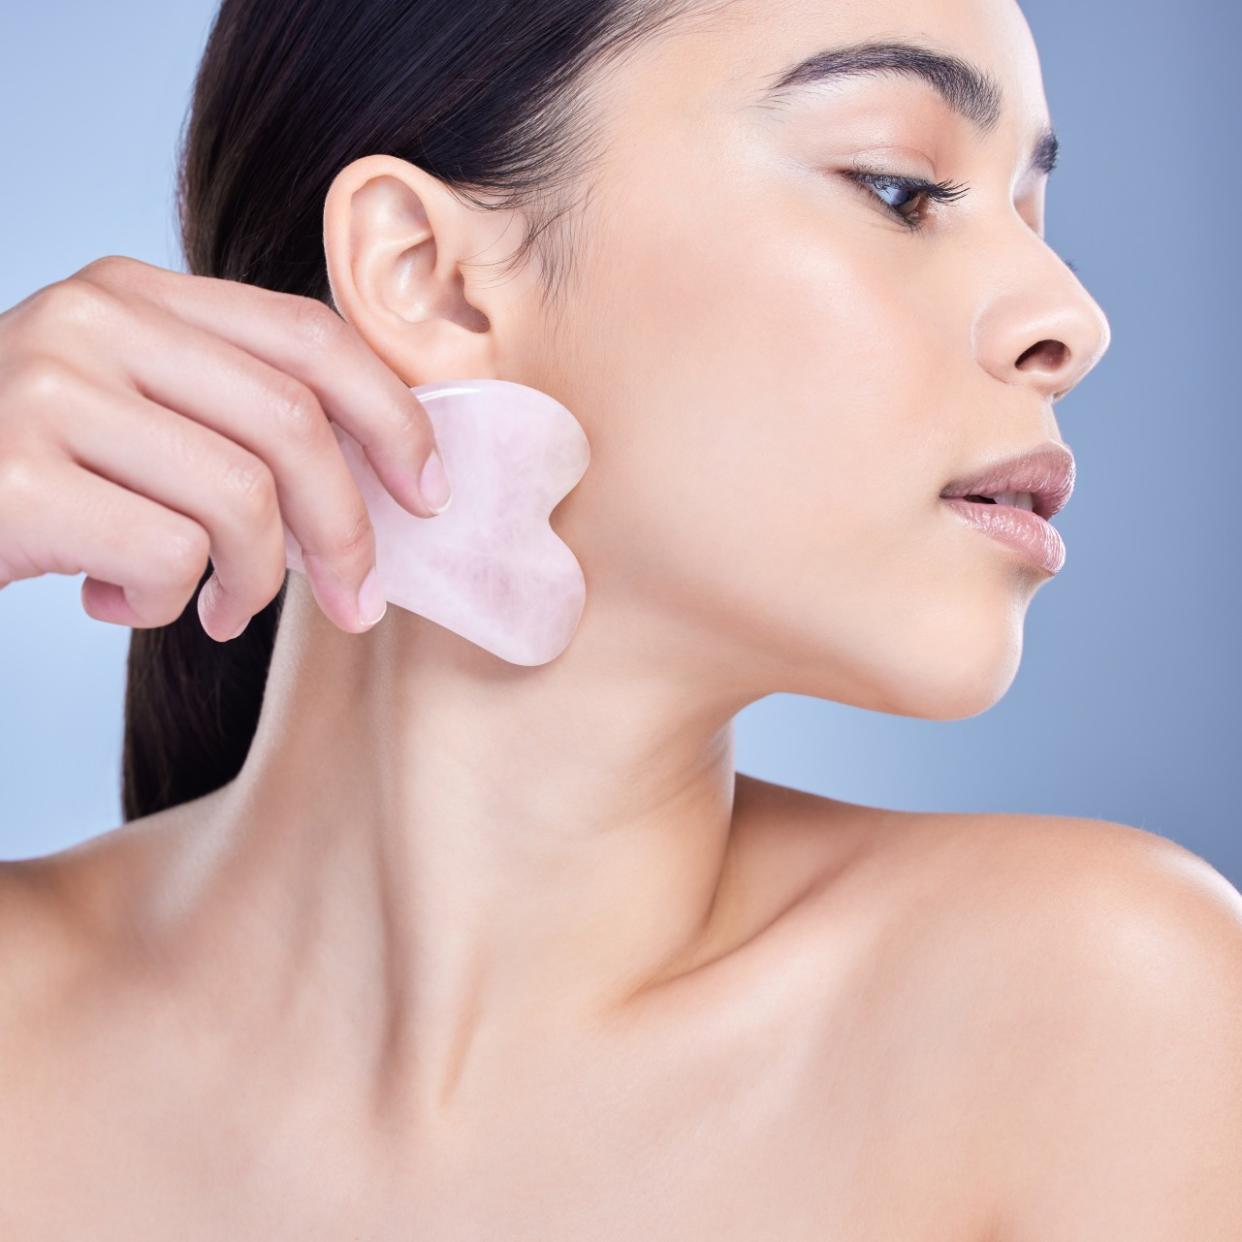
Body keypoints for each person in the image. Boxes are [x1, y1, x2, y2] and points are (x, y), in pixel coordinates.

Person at [1, 0, 1239, 1235]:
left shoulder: (1093, 1017)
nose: (1071, 319)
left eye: (1029, 208)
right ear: (428, 279)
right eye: (901, 187)